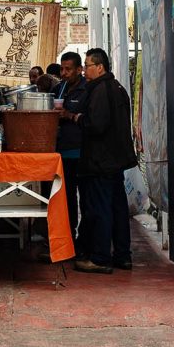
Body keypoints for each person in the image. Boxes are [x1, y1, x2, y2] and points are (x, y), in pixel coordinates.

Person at [65, 48, 136, 274]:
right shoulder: (116, 88)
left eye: (87, 65)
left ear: (100, 67)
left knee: (100, 208)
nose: (85, 70)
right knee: (117, 207)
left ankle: (101, 257)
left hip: (101, 160)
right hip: (114, 159)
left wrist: (76, 117)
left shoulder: (101, 90)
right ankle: (122, 255)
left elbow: (96, 124)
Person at [54, 52, 89, 256]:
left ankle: (84, 242)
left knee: (85, 198)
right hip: (62, 153)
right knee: (66, 200)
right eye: (62, 69)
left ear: (79, 70)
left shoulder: (87, 89)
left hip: (82, 153)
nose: (64, 73)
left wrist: (69, 115)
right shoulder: (59, 88)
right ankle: (68, 241)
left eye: (68, 69)